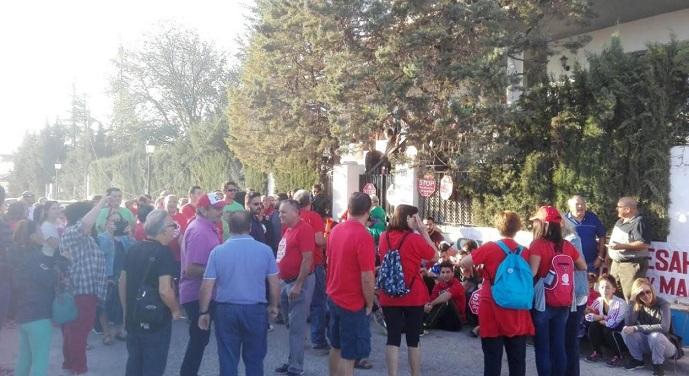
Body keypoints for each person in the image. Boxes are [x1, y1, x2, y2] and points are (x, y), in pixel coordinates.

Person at [197, 211, 280, 376]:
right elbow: (274, 283)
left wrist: (203, 311)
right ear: (250, 227)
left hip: (226, 310)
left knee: (228, 359)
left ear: (230, 227)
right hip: (255, 310)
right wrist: (274, 305)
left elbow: (207, 285)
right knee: (255, 360)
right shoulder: (265, 251)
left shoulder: (217, 252)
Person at [460, 211, 535, 376]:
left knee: (492, 358)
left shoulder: (490, 247)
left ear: (498, 226)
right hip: (517, 305)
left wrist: (474, 268)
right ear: (517, 228)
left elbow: (464, 261)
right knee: (517, 359)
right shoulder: (524, 251)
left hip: (492, 303)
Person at [119, 209, 182, 376]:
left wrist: (126, 309)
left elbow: (122, 282)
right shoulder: (164, 253)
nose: (174, 228)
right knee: (153, 366)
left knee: (134, 364)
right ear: (162, 230)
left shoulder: (134, 248)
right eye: (172, 225)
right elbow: (165, 290)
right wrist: (175, 310)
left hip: (133, 317)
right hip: (155, 320)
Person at [378, 204, 438, 376]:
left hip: (389, 294)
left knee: (393, 337)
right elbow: (435, 256)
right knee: (413, 338)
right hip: (413, 294)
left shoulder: (384, 237)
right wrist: (424, 232)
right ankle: (415, 374)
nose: (417, 221)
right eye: (415, 217)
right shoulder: (414, 238)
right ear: (407, 218)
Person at [528, 206, 587, 376]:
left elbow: (532, 272)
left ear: (543, 224)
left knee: (543, 348)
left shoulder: (538, 244)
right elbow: (582, 266)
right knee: (559, 346)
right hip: (563, 302)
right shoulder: (567, 245)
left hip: (543, 302)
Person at [326, 193, 376, 376]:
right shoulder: (364, 236)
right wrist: (370, 303)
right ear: (367, 211)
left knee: (336, 346)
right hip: (352, 301)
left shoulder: (336, 230)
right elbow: (367, 276)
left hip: (334, 294)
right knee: (349, 355)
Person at [59, 197, 110, 375]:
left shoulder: (83, 238)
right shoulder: (72, 233)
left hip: (85, 293)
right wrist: (101, 204)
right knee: (78, 334)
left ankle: (70, 367)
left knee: (72, 333)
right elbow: (85, 224)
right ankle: (79, 369)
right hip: (80, 294)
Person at [10, 219, 66, 376]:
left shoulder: (18, 254)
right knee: (39, 363)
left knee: (24, 360)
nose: (43, 234)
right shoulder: (34, 257)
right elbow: (48, 278)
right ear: (33, 236)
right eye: (40, 231)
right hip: (38, 315)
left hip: (23, 314)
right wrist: (64, 263)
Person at [179, 192, 225, 376]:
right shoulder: (200, 231)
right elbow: (191, 270)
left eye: (221, 207)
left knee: (199, 341)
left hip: (201, 293)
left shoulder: (205, 226)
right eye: (217, 208)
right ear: (204, 210)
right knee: (198, 341)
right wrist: (219, 270)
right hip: (197, 294)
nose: (221, 211)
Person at [274, 199, 316, 376]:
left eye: (283, 212)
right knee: (290, 325)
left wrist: (298, 285)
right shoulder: (288, 229)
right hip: (286, 282)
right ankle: (292, 360)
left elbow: (308, 259)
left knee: (297, 327)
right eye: (280, 211)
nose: (280, 215)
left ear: (295, 212)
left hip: (299, 283)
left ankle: (295, 367)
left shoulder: (304, 229)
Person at [293, 189, 330, 351]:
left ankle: (298, 339)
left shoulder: (291, 215)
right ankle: (318, 340)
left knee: (298, 304)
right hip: (314, 263)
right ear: (310, 202)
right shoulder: (314, 217)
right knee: (317, 303)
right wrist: (328, 239)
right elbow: (319, 240)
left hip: (295, 264)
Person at [621, 278, 678, 376]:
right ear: (637, 295)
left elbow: (665, 328)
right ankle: (638, 360)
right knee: (625, 330)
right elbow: (629, 324)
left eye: (648, 292)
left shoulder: (663, 304)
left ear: (652, 290)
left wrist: (637, 328)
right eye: (641, 293)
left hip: (666, 346)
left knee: (655, 336)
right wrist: (631, 302)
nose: (646, 296)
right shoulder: (637, 305)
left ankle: (658, 365)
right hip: (648, 343)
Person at [606, 197, 651, 302]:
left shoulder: (639, 222)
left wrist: (621, 246)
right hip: (616, 264)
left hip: (631, 266)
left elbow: (644, 244)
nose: (617, 209)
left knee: (631, 296)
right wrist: (608, 256)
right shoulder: (619, 222)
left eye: (619, 207)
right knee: (615, 295)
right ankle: (618, 318)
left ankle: (632, 318)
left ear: (627, 209)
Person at [96, 212, 127, 345]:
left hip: (118, 275)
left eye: (118, 221)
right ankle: (106, 332)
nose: (116, 223)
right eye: (113, 221)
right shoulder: (101, 238)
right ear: (105, 222)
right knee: (104, 305)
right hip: (105, 275)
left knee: (119, 303)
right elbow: (98, 258)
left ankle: (119, 329)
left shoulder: (120, 239)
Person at [584, 275, 628, 366]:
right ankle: (597, 352)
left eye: (608, 287)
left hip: (620, 335)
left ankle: (618, 355)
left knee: (608, 329)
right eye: (602, 287)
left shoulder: (619, 303)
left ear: (614, 290)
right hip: (606, 331)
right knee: (593, 326)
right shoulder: (599, 300)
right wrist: (588, 312)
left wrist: (599, 317)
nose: (604, 290)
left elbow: (612, 323)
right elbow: (588, 317)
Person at [565, 195, 607, 272]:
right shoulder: (564, 220)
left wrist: (600, 257)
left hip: (592, 263)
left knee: (590, 283)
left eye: (583, 204)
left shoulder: (593, 218)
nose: (581, 206)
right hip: (570, 264)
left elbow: (602, 236)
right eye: (577, 204)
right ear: (570, 207)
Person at [423, 261, 465, 332]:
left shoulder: (457, 285)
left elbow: (446, 296)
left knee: (445, 300)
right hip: (442, 319)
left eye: (448, 272)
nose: (445, 275)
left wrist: (431, 304)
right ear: (440, 274)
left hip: (455, 321)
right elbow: (431, 299)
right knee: (424, 305)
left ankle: (425, 325)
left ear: (453, 273)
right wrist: (427, 305)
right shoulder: (438, 286)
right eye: (443, 272)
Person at [164, 195, 184, 278]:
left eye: (174, 202)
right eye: (169, 202)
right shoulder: (160, 216)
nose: (172, 204)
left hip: (178, 258)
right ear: (165, 203)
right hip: (163, 256)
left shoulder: (182, 217)